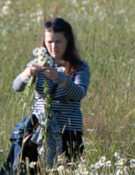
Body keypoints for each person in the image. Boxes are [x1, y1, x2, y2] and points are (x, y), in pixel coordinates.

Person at [12, 17, 90, 167]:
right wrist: (27, 73)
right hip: (39, 130)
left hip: (68, 131)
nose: (54, 46)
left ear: (68, 40)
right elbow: (17, 87)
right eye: (50, 42)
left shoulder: (79, 67)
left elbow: (79, 93)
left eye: (58, 41)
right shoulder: (39, 62)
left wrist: (61, 79)